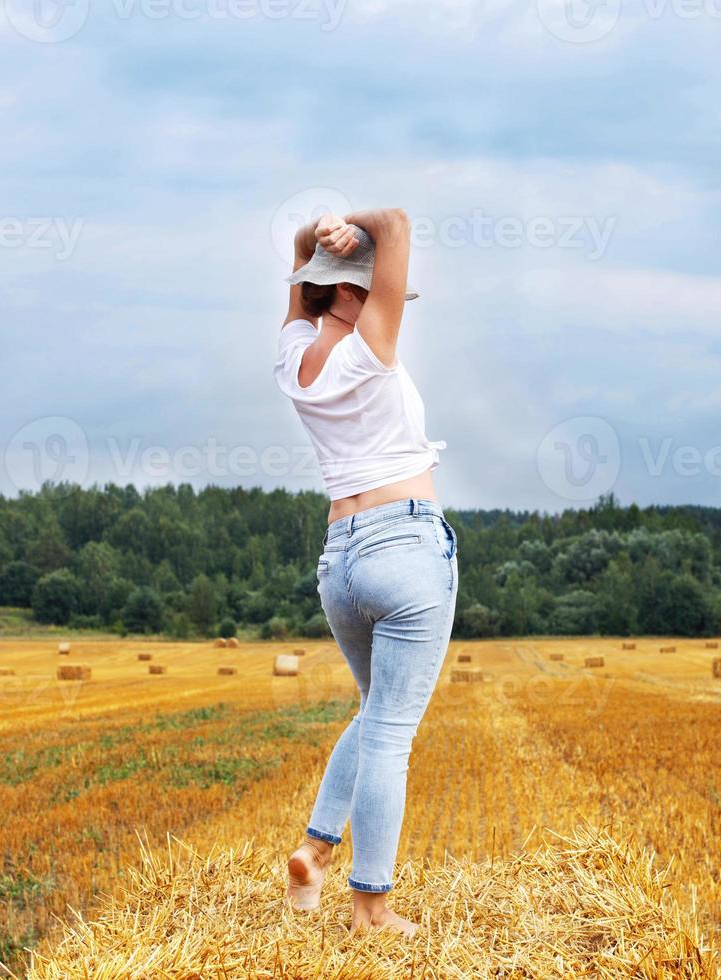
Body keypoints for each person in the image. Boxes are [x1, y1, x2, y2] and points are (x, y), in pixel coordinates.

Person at [272, 208, 457, 936]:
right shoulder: (368, 351)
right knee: (390, 734)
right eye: (375, 288)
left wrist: (317, 234)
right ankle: (372, 906)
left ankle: (316, 850)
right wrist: (356, 226)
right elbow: (401, 222)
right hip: (403, 544)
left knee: (376, 711)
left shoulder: (294, 362)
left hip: (339, 559)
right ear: (348, 294)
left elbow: (297, 267)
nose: (389, 300)